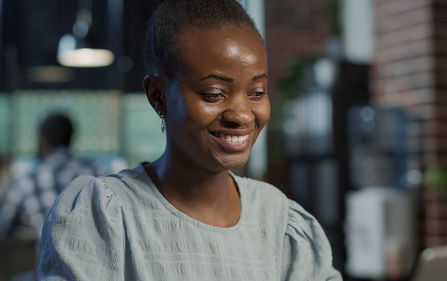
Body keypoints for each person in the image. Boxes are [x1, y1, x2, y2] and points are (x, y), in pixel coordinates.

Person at [38, 1, 343, 280]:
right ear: (158, 96)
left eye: (257, 93)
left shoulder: (279, 221)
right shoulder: (105, 216)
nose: (242, 115)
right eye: (214, 94)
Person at [0, 113, 98, 241]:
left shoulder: (28, 182)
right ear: (71, 138)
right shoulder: (96, 175)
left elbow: (3, 221)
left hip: (49, 259)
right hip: (95, 259)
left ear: (43, 140)